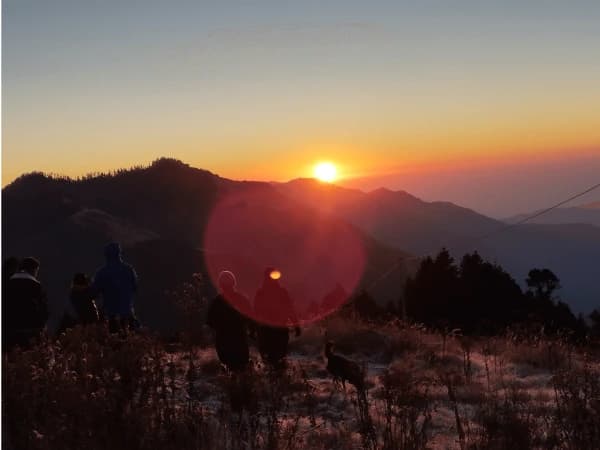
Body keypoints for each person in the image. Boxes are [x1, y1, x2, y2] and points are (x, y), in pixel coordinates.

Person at [207, 271, 253, 372]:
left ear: (220, 285)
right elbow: (250, 318)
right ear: (234, 283)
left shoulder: (217, 302)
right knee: (241, 368)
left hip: (224, 341)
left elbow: (210, 322)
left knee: (229, 368)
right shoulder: (242, 299)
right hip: (239, 340)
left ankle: (232, 385)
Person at [254, 267, 300, 365]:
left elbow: (255, 313)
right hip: (277, 332)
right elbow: (290, 310)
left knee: (269, 361)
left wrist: (252, 329)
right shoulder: (280, 292)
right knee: (279, 360)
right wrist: (296, 326)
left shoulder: (261, 293)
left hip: (267, 332)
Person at [90, 242, 139, 333]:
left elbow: (94, 292)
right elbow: (135, 287)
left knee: (114, 342)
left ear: (106, 255)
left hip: (111, 315)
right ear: (119, 253)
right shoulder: (129, 270)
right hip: (128, 313)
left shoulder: (102, 273)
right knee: (130, 338)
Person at [3, 257, 48, 351]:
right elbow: (43, 310)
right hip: (30, 331)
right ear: (34, 270)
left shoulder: (7, 283)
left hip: (9, 330)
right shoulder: (37, 286)